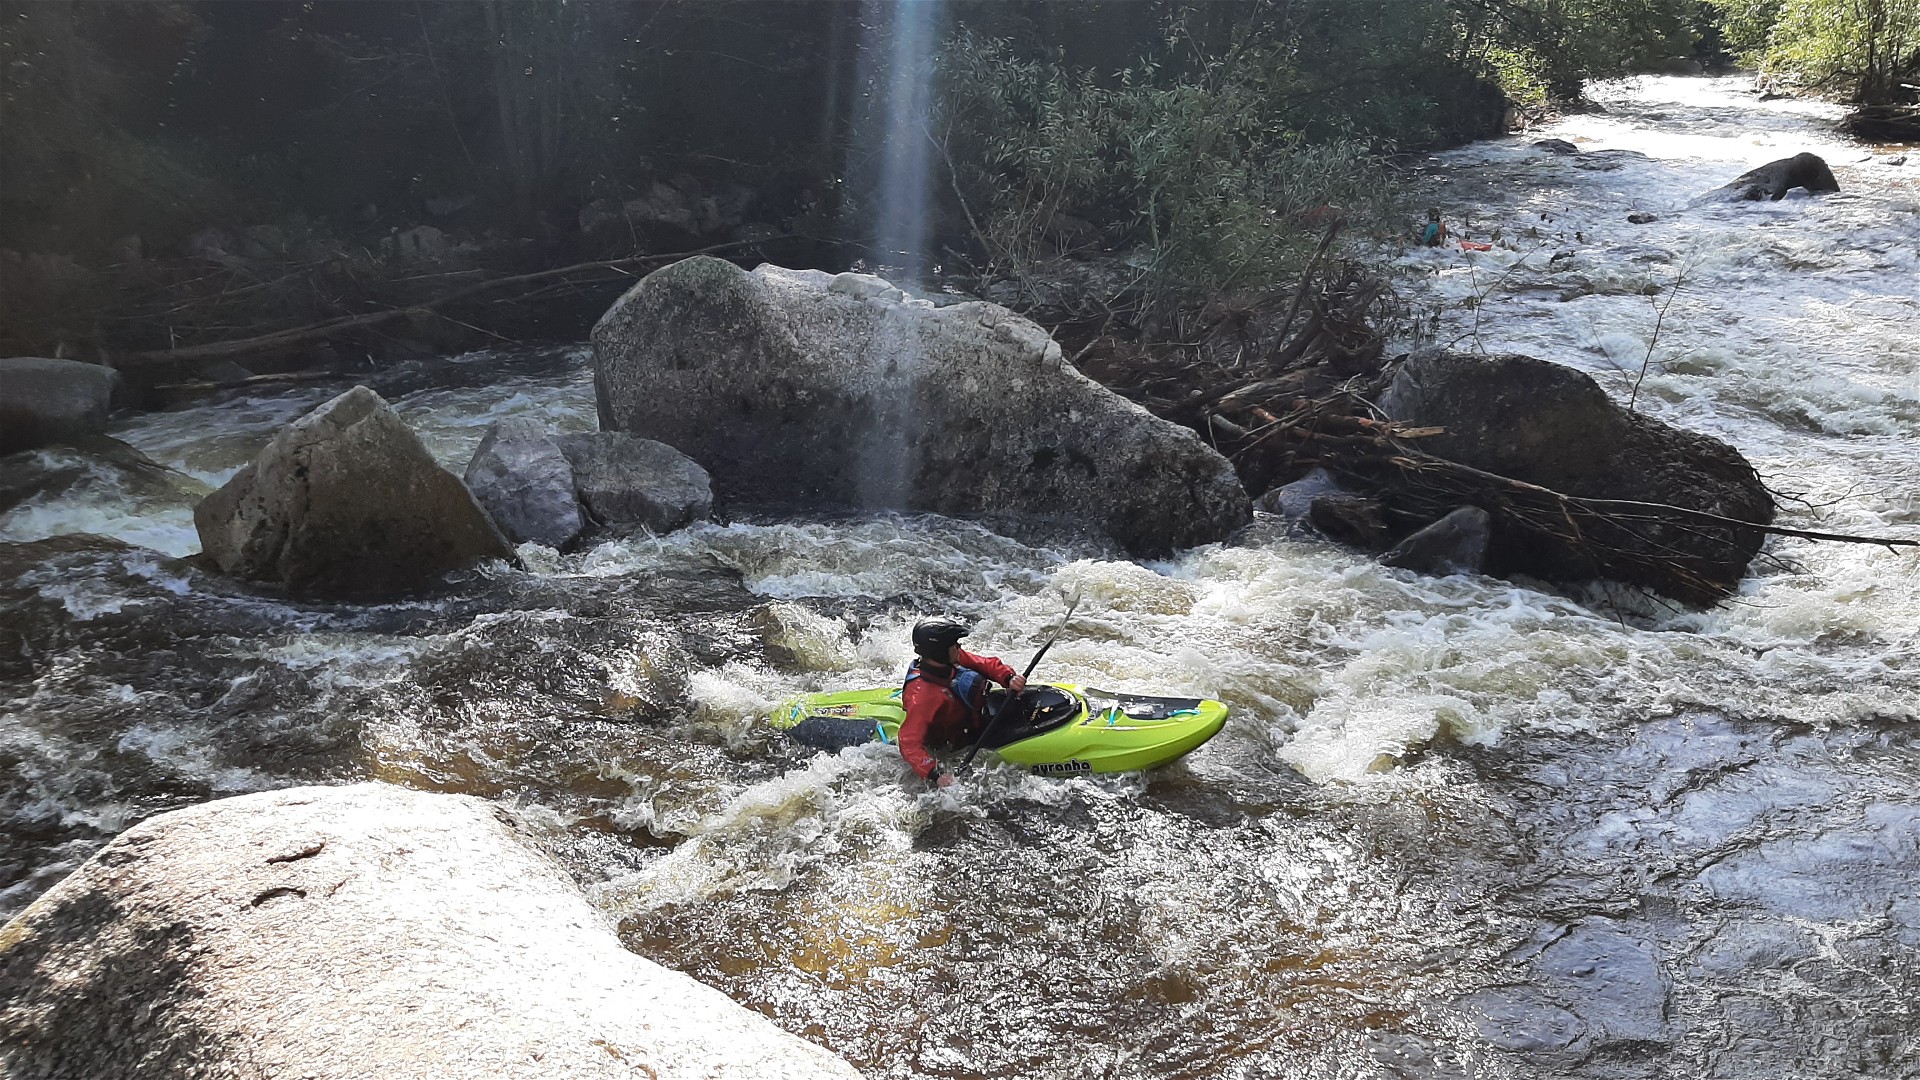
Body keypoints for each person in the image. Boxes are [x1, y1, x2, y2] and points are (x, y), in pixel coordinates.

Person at [899, 616, 1026, 787]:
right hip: (958, 740)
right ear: (938, 650)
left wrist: (1008, 677)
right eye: (954, 644)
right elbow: (909, 742)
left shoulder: (947, 659)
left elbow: (985, 664)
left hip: (975, 716)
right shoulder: (922, 698)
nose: (959, 647)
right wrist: (936, 774)